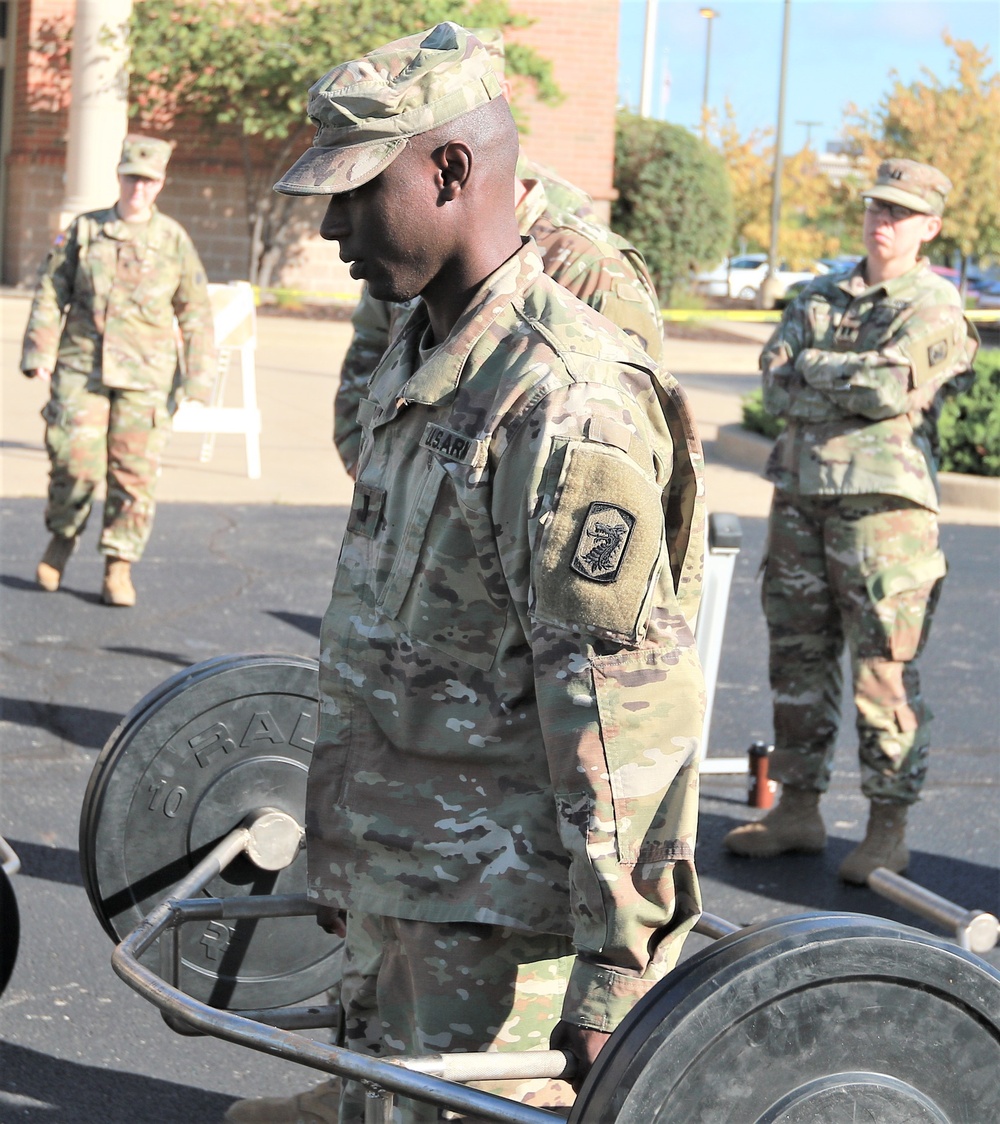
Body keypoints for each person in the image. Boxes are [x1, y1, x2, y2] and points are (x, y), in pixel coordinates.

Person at [226, 23, 705, 1124]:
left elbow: (622, 713)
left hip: (501, 930)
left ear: (449, 170)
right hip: (411, 885)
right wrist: (352, 849)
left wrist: (619, 968)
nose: (333, 223)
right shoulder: (426, 347)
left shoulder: (562, 400)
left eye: (354, 191)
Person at [723, 158, 979, 884]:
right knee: (797, 660)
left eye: (900, 212)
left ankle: (887, 826)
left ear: (930, 226)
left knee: (881, 669)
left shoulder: (933, 305)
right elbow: (776, 380)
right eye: (876, 207)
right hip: (800, 496)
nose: (882, 221)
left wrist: (817, 369)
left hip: (883, 511)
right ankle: (798, 810)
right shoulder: (820, 292)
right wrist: (835, 375)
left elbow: (888, 388)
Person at [332, 29, 663, 479]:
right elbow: (368, 368)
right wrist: (382, 481)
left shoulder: (587, 267)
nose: (330, 226)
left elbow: (621, 451)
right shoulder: (410, 249)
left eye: (359, 190)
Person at [20, 135, 215, 607]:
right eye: (132, 177)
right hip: (81, 368)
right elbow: (51, 291)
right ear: (119, 176)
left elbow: (195, 311)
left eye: (148, 180)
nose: (138, 189)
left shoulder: (173, 241)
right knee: (72, 463)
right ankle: (61, 538)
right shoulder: (85, 231)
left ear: (161, 183)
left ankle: (118, 565)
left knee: (134, 476)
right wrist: (39, 351)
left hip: (146, 378)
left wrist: (197, 378)